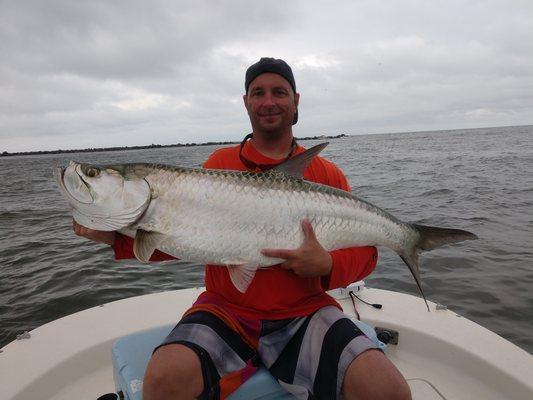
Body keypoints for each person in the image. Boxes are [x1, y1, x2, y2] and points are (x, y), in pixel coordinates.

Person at [74, 58, 411, 400]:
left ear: (295, 100)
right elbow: (185, 238)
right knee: (163, 380)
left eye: (278, 92)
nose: (268, 101)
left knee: (387, 390)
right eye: (258, 92)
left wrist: (327, 266)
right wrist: (116, 239)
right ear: (246, 102)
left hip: (306, 312)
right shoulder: (218, 166)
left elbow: (368, 253)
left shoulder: (326, 175)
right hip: (226, 310)